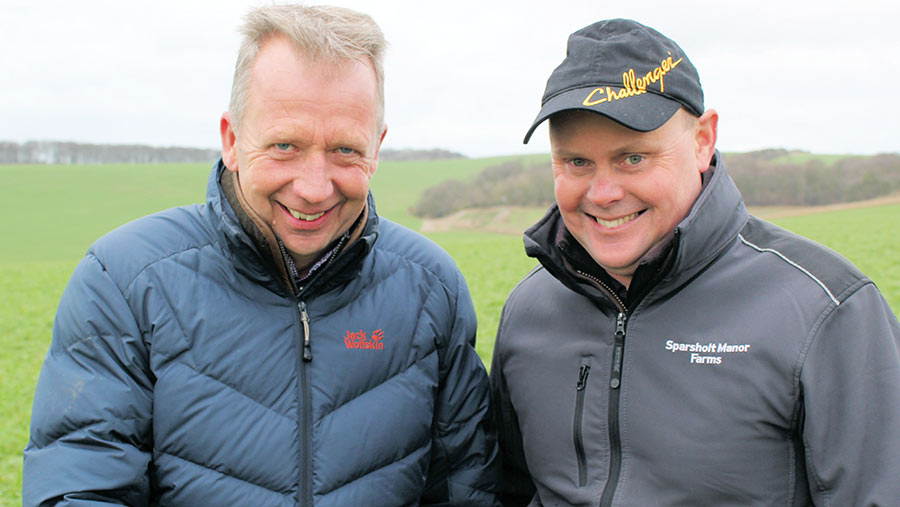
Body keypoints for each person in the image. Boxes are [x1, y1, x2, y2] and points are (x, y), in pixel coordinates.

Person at [23, 5, 499, 505]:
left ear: (376, 148)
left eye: (345, 150)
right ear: (231, 139)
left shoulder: (430, 288)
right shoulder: (124, 282)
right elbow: (81, 486)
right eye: (285, 146)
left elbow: (467, 489)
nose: (314, 189)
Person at [490, 18, 900, 506]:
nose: (603, 194)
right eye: (577, 162)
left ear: (703, 140)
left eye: (633, 158)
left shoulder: (827, 310)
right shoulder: (529, 310)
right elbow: (511, 490)